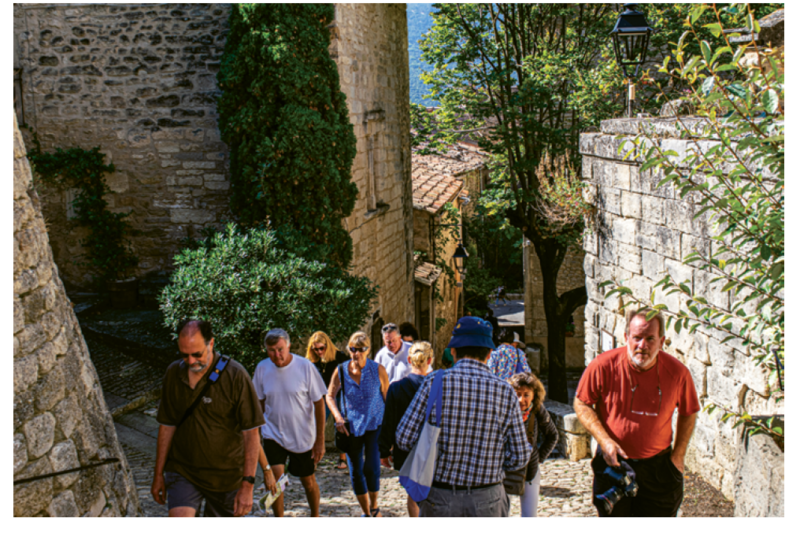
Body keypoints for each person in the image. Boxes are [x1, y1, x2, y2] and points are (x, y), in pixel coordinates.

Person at [396, 317, 532, 519]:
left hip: (440, 497)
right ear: (489, 354)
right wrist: (491, 464)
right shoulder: (505, 391)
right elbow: (520, 455)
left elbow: (404, 438)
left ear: (453, 351)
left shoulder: (435, 383)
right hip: (488, 498)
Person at [574, 310, 701, 520]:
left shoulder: (678, 373)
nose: (642, 345)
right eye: (637, 338)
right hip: (614, 465)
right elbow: (582, 402)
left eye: (650, 339)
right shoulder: (603, 365)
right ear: (626, 338)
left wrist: (678, 455)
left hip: (658, 469)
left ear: (662, 341)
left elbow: (689, 411)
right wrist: (604, 440)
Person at [151, 320, 264, 520]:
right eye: (184, 355)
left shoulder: (235, 375)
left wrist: (247, 484)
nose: (191, 361)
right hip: (183, 470)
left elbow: (251, 433)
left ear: (211, 344)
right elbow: (167, 426)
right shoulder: (173, 374)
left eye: (197, 354)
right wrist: (158, 474)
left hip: (227, 477)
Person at [252, 329, 328, 520]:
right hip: (273, 433)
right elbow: (258, 403)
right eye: (271, 350)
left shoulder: (305, 367)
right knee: (276, 481)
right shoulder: (262, 369)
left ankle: (315, 515)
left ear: (288, 346)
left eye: (280, 349)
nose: (276, 355)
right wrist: (258, 431)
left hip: (302, 436)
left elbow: (319, 403)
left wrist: (320, 440)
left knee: (308, 482)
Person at [326, 332, 390, 519]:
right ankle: (365, 512)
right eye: (353, 349)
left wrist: (390, 426)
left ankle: (375, 506)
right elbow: (329, 395)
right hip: (351, 426)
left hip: (374, 423)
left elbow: (386, 396)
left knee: (371, 467)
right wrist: (337, 417)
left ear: (368, 350)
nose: (356, 354)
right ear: (349, 350)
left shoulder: (378, 370)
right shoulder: (341, 370)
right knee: (356, 471)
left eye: (361, 350)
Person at [379, 341, 434, 520]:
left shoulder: (396, 388)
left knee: (413, 494)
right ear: (430, 360)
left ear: (409, 360)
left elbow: (389, 422)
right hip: (432, 448)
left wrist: (384, 450)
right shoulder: (437, 387)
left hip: (406, 449)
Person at [507, 373, 559, 520]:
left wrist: (539, 458)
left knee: (529, 516)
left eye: (526, 395)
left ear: (534, 395)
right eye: (517, 394)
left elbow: (552, 435)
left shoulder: (537, 410)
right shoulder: (504, 410)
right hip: (506, 470)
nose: (521, 400)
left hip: (531, 470)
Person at [306, 331, 350, 471]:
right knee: (315, 425)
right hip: (321, 398)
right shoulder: (312, 362)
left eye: (321, 348)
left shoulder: (339, 357)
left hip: (338, 395)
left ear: (327, 346)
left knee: (341, 424)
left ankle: (343, 457)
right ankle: (313, 459)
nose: (319, 351)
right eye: (315, 349)